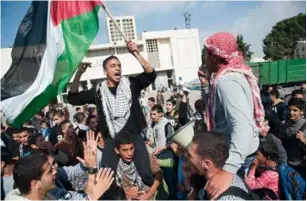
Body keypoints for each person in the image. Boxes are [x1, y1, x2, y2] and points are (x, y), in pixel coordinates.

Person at [67, 41, 157, 197]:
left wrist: (136, 53)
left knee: (146, 174)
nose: (117, 68)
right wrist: (79, 73)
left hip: (134, 138)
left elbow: (150, 74)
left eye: (119, 65)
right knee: (106, 177)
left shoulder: (130, 85)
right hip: (112, 140)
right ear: (105, 71)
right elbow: (73, 98)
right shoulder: (99, 92)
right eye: (113, 66)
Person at [203, 32, 264, 199]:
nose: (205, 59)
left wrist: (228, 170)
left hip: (236, 154)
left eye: (206, 54)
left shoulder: (226, 82)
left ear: (214, 57)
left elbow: (242, 126)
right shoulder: (229, 76)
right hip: (242, 151)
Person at [185, 131, 251, 200]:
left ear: (207, 164)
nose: (185, 156)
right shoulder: (231, 174)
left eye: (189, 155)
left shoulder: (226, 198)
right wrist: (187, 180)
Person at [114, 131, 164, 200]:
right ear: (117, 150)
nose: (129, 153)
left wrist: (150, 193)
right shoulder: (115, 167)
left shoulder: (143, 157)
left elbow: (159, 173)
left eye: (131, 148)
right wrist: (126, 193)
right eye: (125, 150)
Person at [145, 104, 175, 198]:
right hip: (158, 159)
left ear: (160, 114)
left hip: (167, 159)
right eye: (151, 114)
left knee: (170, 182)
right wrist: (150, 142)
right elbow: (156, 140)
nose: (152, 116)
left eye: (154, 114)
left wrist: (161, 148)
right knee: (161, 182)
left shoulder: (167, 124)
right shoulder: (155, 124)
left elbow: (172, 142)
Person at [282, 98, 306, 178]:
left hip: (303, 166)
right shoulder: (286, 125)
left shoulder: (305, 126)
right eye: (289, 110)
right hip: (289, 165)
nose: (291, 113)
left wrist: (304, 140)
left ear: (301, 112)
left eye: (295, 110)